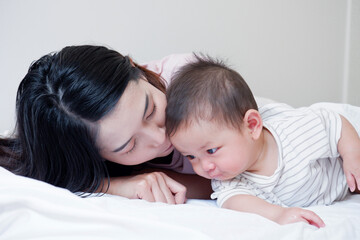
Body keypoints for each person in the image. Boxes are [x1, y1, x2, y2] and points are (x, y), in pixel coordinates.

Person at [0, 45, 213, 203]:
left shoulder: (199, 86)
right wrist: (118, 185)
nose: (160, 138)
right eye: (129, 146)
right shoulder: (75, 152)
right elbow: (59, 176)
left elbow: (241, 175)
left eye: (151, 111)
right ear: (96, 155)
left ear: (136, 69)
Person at [165, 55, 360, 227]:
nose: (204, 167)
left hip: (347, 158)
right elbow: (235, 201)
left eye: (211, 151)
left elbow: (336, 123)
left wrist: (352, 156)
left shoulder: (295, 130)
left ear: (251, 126)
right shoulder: (230, 181)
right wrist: (278, 214)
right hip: (338, 190)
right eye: (191, 156)